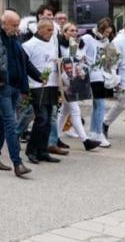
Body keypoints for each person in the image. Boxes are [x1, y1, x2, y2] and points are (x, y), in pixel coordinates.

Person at [0, 10, 40, 178]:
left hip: (15, 86)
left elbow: (25, 61)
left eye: (17, 24)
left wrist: (39, 76)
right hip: (2, 87)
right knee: (11, 122)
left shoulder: (14, 38)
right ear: (4, 24)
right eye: (13, 25)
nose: (17, 28)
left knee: (4, 124)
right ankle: (17, 162)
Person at [55, 23, 102, 151]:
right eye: (71, 30)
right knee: (75, 110)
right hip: (65, 81)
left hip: (76, 80)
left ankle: (56, 138)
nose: (74, 32)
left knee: (65, 111)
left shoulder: (79, 45)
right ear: (64, 32)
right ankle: (85, 140)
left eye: (76, 30)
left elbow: (81, 61)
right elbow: (60, 62)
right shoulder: (59, 45)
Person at [22, 19, 61, 164]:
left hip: (52, 84)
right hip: (36, 86)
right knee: (41, 119)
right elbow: (26, 64)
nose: (52, 33)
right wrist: (38, 77)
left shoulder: (53, 43)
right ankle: (31, 150)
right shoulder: (28, 45)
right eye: (49, 29)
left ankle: (43, 150)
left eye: (53, 29)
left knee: (48, 120)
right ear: (40, 29)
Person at [82, 17, 115, 147]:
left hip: (102, 75)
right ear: (100, 28)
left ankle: (94, 133)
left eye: (109, 32)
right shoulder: (88, 38)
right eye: (106, 32)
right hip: (92, 75)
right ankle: (98, 133)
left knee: (98, 105)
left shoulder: (106, 41)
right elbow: (80, 54)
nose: (107, 35)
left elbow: (107, 59)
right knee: (100, 104)